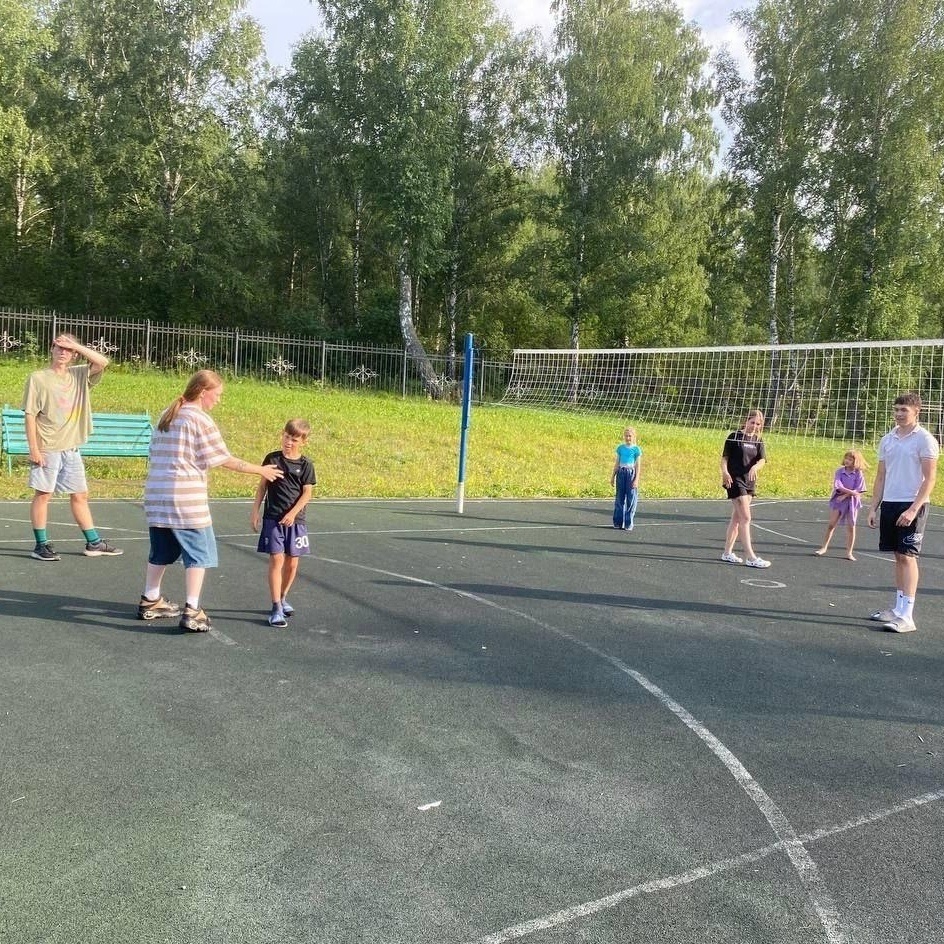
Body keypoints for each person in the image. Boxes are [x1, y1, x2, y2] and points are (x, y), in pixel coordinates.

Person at [137, 370, 283, 632]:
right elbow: (223, 459)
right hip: (185, 499)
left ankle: (150, 599)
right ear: (203, 392)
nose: (219, 400)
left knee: (161, 551)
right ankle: (192, 610)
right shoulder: (200, 419)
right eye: (217, 394)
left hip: (157, 496)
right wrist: (261, 470)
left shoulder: (167, 414)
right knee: (199, 554)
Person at [21, 333, 123, 561]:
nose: (62, 351)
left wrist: (75, 344)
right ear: (51, 349)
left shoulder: (79, 374)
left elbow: (103, 362)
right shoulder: (38, 378)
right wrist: (34, 448)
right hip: (48, 446)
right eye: (58, 346)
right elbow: (30, 415)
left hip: (71, 448)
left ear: (74, 354)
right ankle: (41, 545)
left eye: (67, 349)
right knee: (43, 494)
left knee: (80, 495)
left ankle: (94, 542)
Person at [866, 392, 939, 633]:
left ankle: (908, 616)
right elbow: (881, 476)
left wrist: (913, 509)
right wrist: (873, 507)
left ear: (916, 411)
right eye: (896, 409)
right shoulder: (888, 439)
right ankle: (898, 609)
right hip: (890, 503)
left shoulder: (925, 440)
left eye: (903, 410)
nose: (898, 414)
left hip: (912, 504)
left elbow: (930, 479)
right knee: (897, 556)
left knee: (908, 557)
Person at [250, 419, 316, 627]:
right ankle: (276, 606)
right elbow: (262, 487)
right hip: (273, 519)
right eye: (287, 437)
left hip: (296, 521)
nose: (288, 442)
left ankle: (283, 596)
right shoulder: (272, 458)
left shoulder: (306, 465)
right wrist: (255, 511)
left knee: (292, 562)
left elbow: (307, 494)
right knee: (276, 560)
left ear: (303, 442)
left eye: (294, 439)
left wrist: (293, 513)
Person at [720, 408, 770, 568]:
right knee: (746, 518)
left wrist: (755, 467)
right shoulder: (734, 437)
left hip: (749, 482)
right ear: (746, 421)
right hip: (735, 480)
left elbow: (762, 460)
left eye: (758, 424)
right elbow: (724, 458)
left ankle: (727, 553)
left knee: (737, 519)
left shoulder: (758, 440)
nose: (755, 426)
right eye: (752, 422)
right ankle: (750, 557)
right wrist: (725, 473)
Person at [813, 450, 868, 560]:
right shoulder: (839, 471)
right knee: (831, 524)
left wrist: (846, 495)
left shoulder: (858, 473)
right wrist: (851, 493)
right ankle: (824, 547)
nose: (847, 461)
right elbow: (838, 486)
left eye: (850, 459)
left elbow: (859, 489)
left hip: (852, 502)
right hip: (839, 501)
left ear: (855, 461)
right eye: (846, 458)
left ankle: (849, 552)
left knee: (851, 527)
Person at [610, 426, 642, 531]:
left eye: (630, 436)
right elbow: (617, 463)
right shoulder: (620, 448)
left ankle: (628, 523)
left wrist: (636, 479)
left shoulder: (636, 449)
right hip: (621, 473)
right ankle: (618, 522)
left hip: (630, 473)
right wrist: (613, 476)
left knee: (631, 498)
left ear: (634, 437)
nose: (628, 438)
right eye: (626, 436)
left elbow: (638, 466)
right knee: (619, 498)